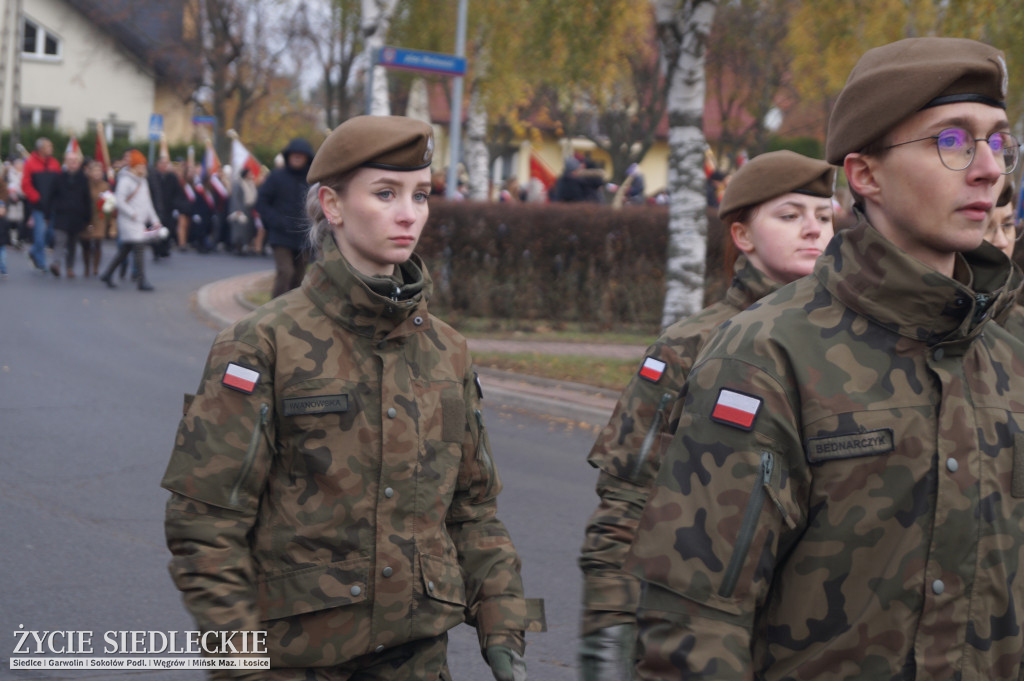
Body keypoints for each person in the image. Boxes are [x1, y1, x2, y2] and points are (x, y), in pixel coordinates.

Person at [629, 37, 1024, 680]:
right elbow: (695, 625)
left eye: (999, 142)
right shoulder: (767, 356)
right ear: (865, 174)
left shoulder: (1011, 355)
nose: (987, 168)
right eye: (951, 141)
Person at [161, 116, 543, 681]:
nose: (409, 213)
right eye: (385, 194)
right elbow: (205, 524)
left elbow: (473, 510)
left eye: (421, 194)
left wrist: (505, 629)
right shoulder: (262, 343)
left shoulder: (447, 351)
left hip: (418, 661)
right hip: (296, 663)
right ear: (333, 206)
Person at [578, 150, 835, 681]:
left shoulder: (852, 350)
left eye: (824, 216)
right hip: (703, 634)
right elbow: (626, 497)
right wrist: (608, 627)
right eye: (790, 216)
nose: (813, 229)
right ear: (742, 235)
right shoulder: (689, 345)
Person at [257, 137, 315, 297]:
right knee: (285, 272)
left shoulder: (312, 180)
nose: (297, 157)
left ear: (307, 158)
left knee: (299, 278)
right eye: (294, 154)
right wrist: (275, 220)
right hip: (280, 235)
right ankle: (272, 312)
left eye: (301, 155)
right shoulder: (276, 177)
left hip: (303, 237)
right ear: (288, 156)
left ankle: (291, 313)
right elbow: (261, 201)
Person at [100, 150, 162, 291]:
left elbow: (148, 203)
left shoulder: (143, 181)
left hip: (138, 221)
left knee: (125, 250)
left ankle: (108, 274)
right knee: (139, 247)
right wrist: (132, 214)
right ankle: (142, 281)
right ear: (134, 166)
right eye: (140, 165)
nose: (143, 168)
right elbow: (119, 201)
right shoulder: (125, 180)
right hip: (128, 221)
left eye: (143, 165)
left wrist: (155, 220)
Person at [48, 150, 92, 278]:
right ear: (65, 162)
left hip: (77, 216)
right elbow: (51, 195)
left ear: (78, 163)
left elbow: (87, 198)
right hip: (61, 215)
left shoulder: (83, 179)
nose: (73, 163)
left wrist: (87, 217)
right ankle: (56, 264)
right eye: (70, 161)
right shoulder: (59, 177)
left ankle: (70, 267)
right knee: (60, 240)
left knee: (72, 243)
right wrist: (49, 211)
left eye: (75, 161)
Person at [22, 137, 61, 272]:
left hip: (52, 204)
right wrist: (36, 198)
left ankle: (33, 252)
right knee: (39, 233)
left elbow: (59, 182)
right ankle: (41, 262)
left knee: (50, 233)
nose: (51, 149)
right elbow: (25, 184)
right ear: (41, 149)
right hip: (38, 204)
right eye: (48, 146)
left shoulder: (54, 163)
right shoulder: (30, 163)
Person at [82, 159, 115, 277]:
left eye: (99, 172)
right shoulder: (85, 184)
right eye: (94, 171)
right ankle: (86, 266)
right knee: (86, 242)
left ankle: (95, 267)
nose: (97, 174)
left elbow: (110, 203)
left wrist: (111, 223)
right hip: (88, 217)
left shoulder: (105, 185)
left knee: (97, 241)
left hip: (100, 217)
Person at [227, 166, 258, 254]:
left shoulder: (250, 184)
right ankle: (237, 247)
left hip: (248, 209)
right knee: (239, 230)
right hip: (240, 210)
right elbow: (236, 198)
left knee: (246, 231)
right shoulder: (238, 184)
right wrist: (238, 210)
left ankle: (244, 247)